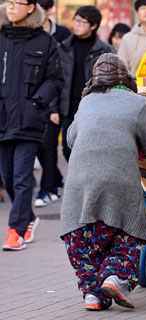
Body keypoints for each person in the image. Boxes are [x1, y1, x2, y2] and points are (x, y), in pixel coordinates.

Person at [61, 53, 146, 311]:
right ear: (126, 78)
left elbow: (71, 140)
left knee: (84, 241)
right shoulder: (135, 102)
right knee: (125, 236)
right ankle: (115, 277)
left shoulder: (86, 102)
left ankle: (93, 295)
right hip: (118, 183)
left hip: (78, 186)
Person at [0, 0, 64, 250]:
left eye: (17, 2)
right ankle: (29, 218)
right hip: (3, 118)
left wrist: (37, 101)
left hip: (29, 119)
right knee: (6, 177)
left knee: (21, 176)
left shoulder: (45, 41)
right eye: (8, 2)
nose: (10, 6)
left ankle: (16, 230)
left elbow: (56, 78)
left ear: (30, 8)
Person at [58, 6, 113, 161]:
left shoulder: (105, 50)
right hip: (68, 107)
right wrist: (54, 108)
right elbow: (55, 78)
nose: (77, 25)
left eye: (82, 22)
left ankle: (84, 183)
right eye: (76, 20)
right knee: (68, 150)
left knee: (90, 148)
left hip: (93, 107)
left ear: (93, 25)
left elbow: (112, 80)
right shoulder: (63, 47)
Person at [33, 0, 71, 207]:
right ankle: (54, 181)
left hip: (59, 98)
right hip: (35, 98)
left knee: (54, 145)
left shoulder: (63, 34)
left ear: (49, 10)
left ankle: (46, 189)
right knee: (41, 144)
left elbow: (64, 71)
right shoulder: (29, 34)